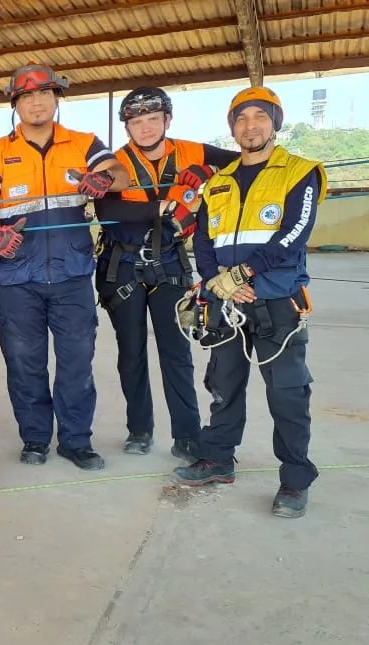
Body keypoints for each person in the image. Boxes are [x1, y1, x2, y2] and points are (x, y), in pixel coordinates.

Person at [174, 87, 325, 519]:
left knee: (288, 393)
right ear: (232, 128)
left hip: (276, 301)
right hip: (226, 301)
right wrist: (216, 280)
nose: (250, 126)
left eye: (260, 116)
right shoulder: (219, 182)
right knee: (223, 385)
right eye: (241, 118)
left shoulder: (300, 172)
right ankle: (218, 458)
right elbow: (204, 238)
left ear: (274, 123)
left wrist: (242, 274)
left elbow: (294, 232)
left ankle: (295, 479)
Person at [0, 63, 129, 470]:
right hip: (16, 277)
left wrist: (105, 180)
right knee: (24, 362)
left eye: (44, 93)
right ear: (15, 103)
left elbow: (120, 174)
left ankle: (76, 441)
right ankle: (36, 438)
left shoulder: (83, 143)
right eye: (27, 95)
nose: (36, 102)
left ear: (56, 98)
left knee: (77, 361)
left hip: (72, 274)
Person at [94, 87, 239, 460]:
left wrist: (208, 170)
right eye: (137, 122)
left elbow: (243, 162)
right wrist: (162, 207)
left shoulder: (192, 152)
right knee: (131, 352)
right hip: (124, 265)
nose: (145, 128)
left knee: (176, 352)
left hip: (170, 263)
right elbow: (108, 212)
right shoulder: (115, 163)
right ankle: (139, 429)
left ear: (167, 120)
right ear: (127, 127)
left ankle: (187, 435)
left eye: (153, 119)